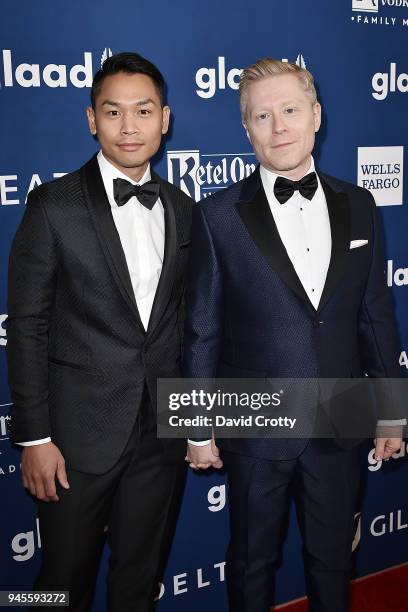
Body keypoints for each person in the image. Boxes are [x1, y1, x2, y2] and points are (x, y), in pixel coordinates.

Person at [183, 58, 405, 612]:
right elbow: (201, 327)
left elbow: (375, 316)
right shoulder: (216, 215)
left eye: (289, 110)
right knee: (250, 563)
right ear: (246, 129)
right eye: (263, 115)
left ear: (316, 115)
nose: (278, 126)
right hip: (253, 416)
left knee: (334, 559)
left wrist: (393, 413)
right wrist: (194, 425)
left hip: (342, 412)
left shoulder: (361, 204)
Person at [7, 52, 192, 612]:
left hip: (159, 435)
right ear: (92, 120)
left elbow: (187, 324)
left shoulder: (184, 210)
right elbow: (27, 326)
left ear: (166, 118)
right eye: (113, 111)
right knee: (60, 583)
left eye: (143, 110)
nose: (129, 126)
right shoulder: (52, 205)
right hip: (73, 440)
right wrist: (35, 438)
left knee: (139, 579)